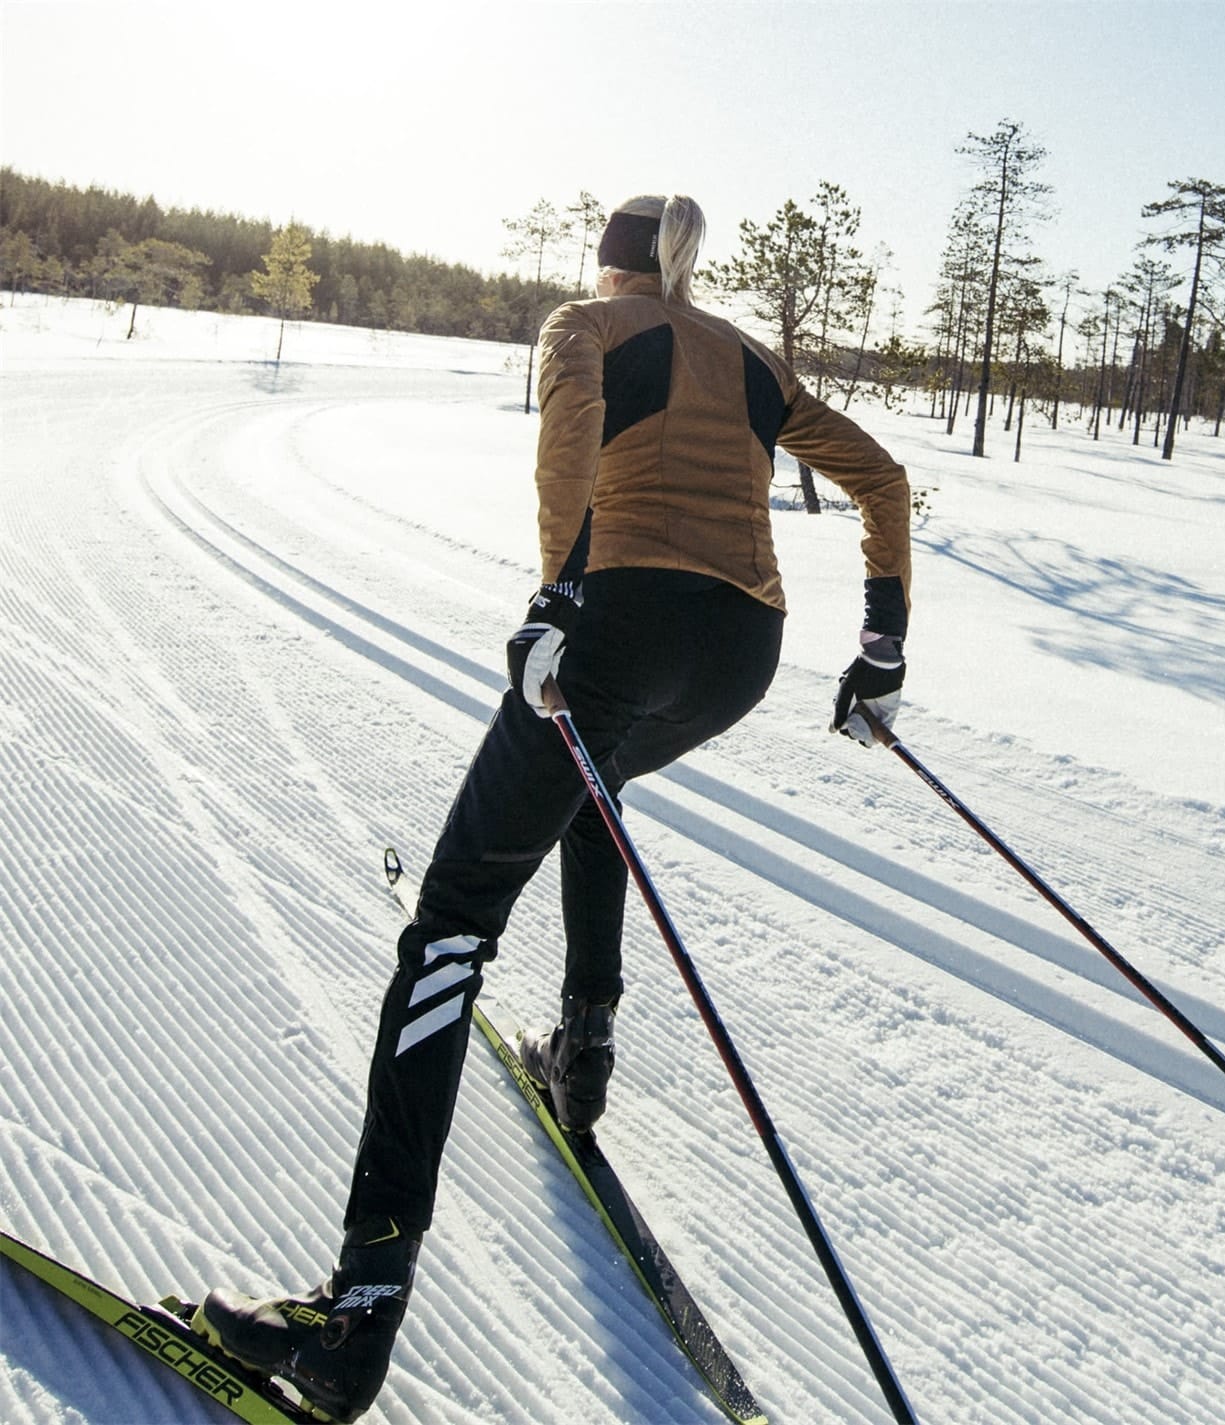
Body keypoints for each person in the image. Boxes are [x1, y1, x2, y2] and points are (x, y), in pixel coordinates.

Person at [191, 193, 912, 1422]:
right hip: (742, 649)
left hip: (619, 623)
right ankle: (585, 1050)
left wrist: (557, 601)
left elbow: (567, 446)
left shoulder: (585, 325)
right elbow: (882, 478)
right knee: (598, 786)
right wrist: (883, 648)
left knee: (452, 924)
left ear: (609, 259)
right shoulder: (746, 355)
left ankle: (351, 1326)